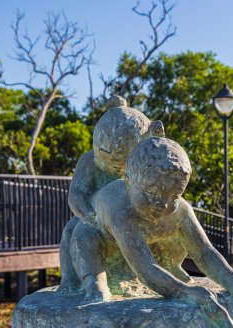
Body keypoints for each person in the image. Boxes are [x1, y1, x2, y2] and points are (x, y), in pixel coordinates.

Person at [70, 136, 233, 305]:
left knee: (179, 234)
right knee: (85, 238)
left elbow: (204, 252)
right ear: (129, 182)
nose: (163, 204)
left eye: (174, 195)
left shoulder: (182, 210)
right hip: (103, 237)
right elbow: (145, 268)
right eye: (152, 193)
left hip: (149, 241)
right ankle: (94, 282)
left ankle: (170, 268)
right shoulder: (121, 212)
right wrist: (183, 291)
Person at [58, 95, 164, 293]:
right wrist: (89, 215)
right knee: (71, 230)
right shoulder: (89, 161)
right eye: (107, 155)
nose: (115, 164)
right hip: (96, 219)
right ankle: (73, 280)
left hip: (135, 217)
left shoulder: (144, 162)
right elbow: (76, 194)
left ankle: (166, 270)